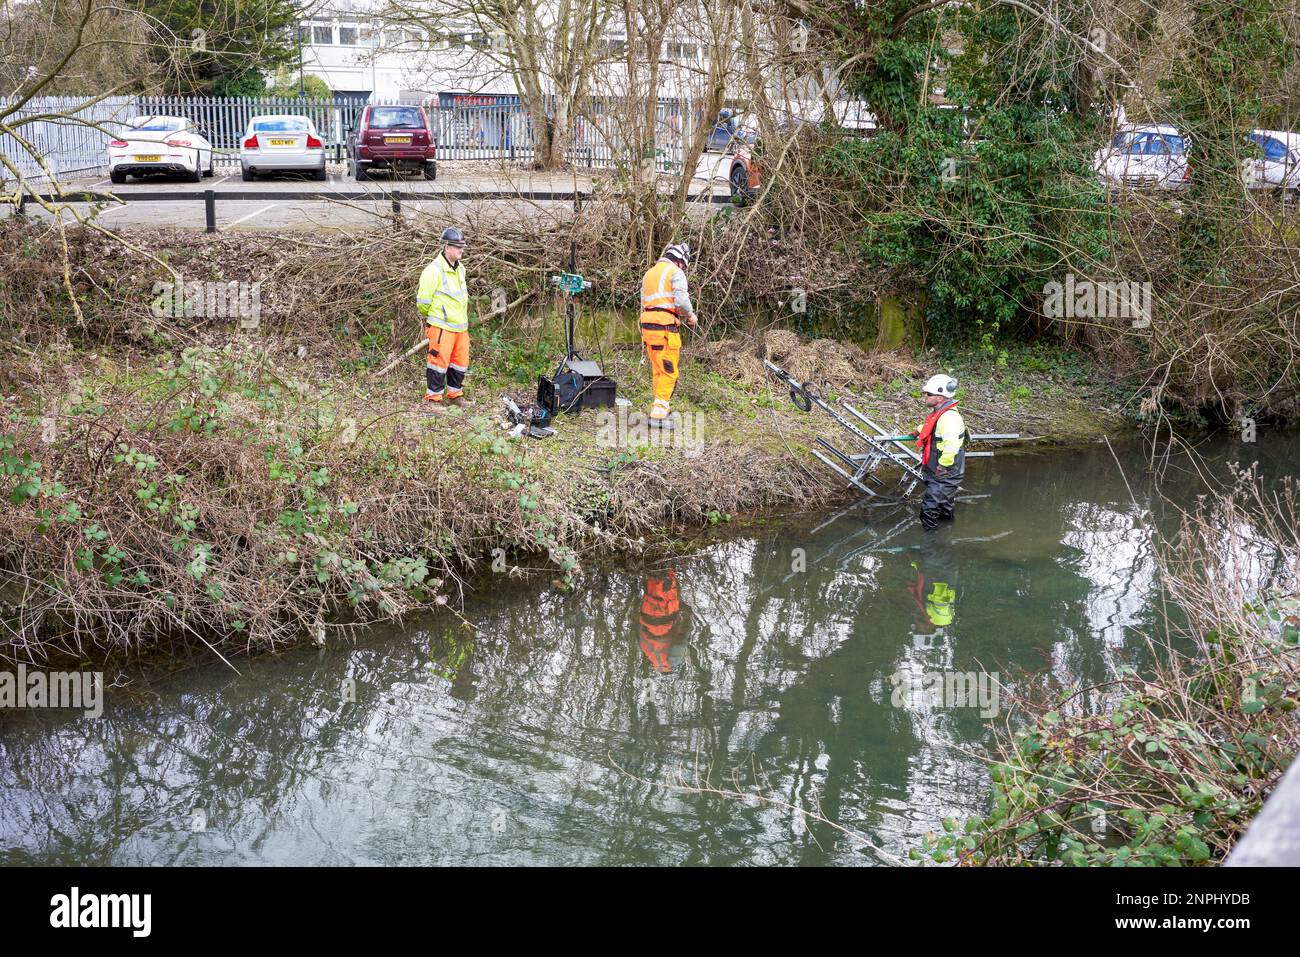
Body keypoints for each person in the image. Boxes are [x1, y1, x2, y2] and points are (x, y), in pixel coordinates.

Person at [638, 242, 697, 426]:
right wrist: (690, 315)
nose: (684, 269)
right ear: (680, 261)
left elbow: (644, 301)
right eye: (684, 266)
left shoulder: (649, 273)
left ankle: (659, 407)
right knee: (669, 371)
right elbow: (680, 299)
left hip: (648, 326)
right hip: (665, 327)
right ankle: (659, 414)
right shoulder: (675, 272)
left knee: (658, 369)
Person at [416, 227, 471, 409]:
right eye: (457, 247)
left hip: (460, 327)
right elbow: (423, 302)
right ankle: (434, 400)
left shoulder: (460, 268)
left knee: (459, 363)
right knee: (438, 364)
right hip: (441, 327)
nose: (461, 250)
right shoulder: (433, 271)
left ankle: (455, 396)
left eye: (462, 246)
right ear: (447, 247)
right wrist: (435, 318)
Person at [910, 374, 966, 530]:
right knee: (944, 506)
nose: (925, 396)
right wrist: (920, 430)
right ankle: (947, 533)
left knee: (928, 511)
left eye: (928, 394)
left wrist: (941, 467)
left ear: (940, 397)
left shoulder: (949, 418)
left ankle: (931, 546)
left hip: (945, 471)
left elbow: (952, 445)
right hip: (939, 469)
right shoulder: (940, 413)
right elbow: (935, 430)